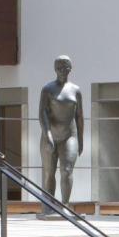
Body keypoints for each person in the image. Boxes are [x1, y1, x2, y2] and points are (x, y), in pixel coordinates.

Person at [38, 55, 83, 215]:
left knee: (67, 170)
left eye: (65, 67)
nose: (62, 71)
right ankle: (48, 206)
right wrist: (47, 134)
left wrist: (81, 140)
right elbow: (42, 113)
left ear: (70, 69)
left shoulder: (76, 90)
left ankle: (65, 205)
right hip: (50, 135)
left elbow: (79, 116)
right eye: (59, 68)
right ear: (55, 70)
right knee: (49, 172)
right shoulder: (48, 89)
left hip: (69, 135)